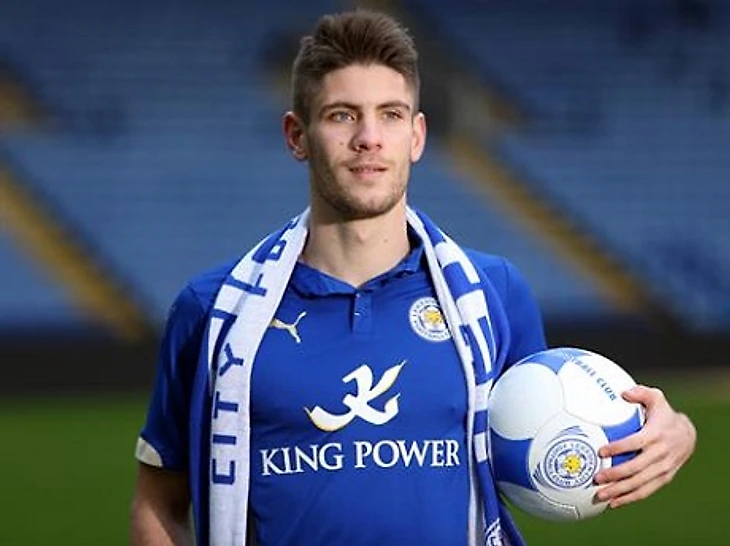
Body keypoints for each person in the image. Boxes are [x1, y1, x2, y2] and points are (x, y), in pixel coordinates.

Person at [130, 10, 697, 546]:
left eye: (391, 115)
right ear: (297, 136)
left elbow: (555, 425)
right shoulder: (214, 310)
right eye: (342, 115)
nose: (369, 138)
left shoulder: (493, 293)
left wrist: (673, 432)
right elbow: (158, 502)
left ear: (417, 136)